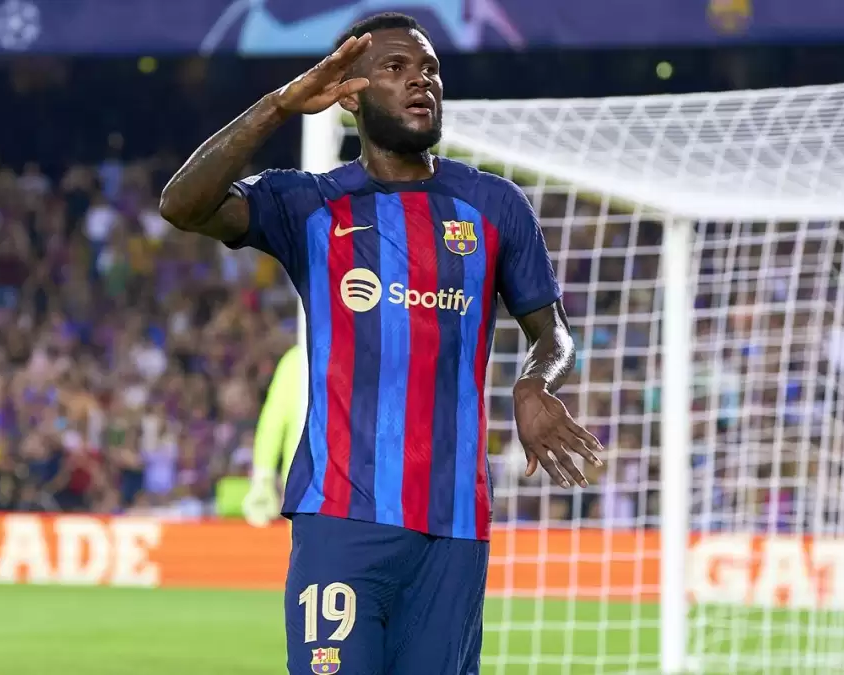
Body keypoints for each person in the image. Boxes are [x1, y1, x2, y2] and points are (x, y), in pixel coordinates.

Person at [159, 12, 603, 675]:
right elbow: (181, 204)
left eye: (430, 69)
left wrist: (537, 382)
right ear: (350, 93)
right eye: (395, 68)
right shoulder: (309, 204)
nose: (421, 81)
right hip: (341, 518)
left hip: (453, 526)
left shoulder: (494, 205)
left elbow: (553, 332)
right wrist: (280, 104)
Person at [243, 343, 307, 526]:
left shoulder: (298, 358)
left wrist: (263, 476)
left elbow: (273, 422)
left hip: (305, 484)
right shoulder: (371, 351)